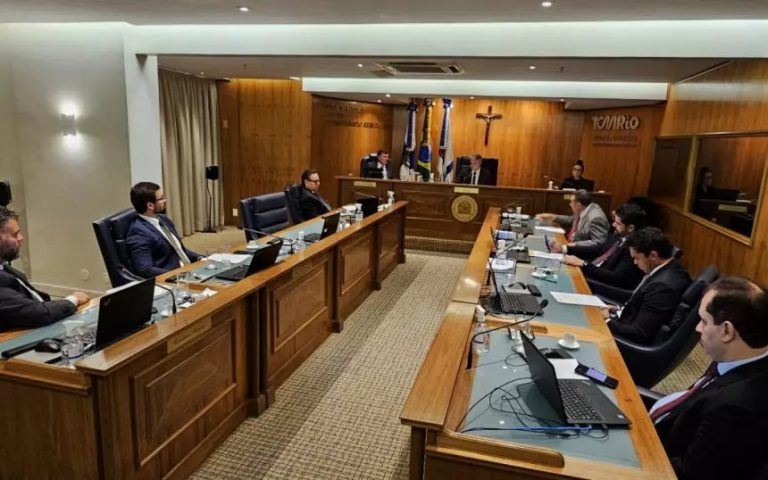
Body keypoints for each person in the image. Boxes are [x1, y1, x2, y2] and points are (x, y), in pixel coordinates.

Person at [651, 277, 768, 480]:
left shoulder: (735, 408)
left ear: (727, 331)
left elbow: (687, 474)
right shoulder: (739, 357)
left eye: (704, 321)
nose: (697, 328)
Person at [0, 207, 90, 330]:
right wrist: (73, 299)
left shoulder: (5, 268)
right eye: (15, 234)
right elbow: (38, 313)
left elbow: (39, 302)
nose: (21, 238)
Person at [606, 227, 691, 344]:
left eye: (637, 258)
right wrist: (618, 310)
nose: (635, 263)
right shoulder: (672, 267)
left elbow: (638, 333)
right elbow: (644, 308)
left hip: (625, 344)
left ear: (653, 255)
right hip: (624, 320)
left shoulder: (662, 288)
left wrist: (606, 320)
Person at [562, 203, 646, 290]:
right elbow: (598, 249)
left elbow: (616, 278)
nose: (613, 225)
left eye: (618, 223)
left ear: (630, 228)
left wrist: (584, 264)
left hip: (600, 285)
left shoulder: (633, 249)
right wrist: (565, 249)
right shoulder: (618, 235)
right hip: (592, 274)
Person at [126, 182, 202, 278]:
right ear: (150, 205)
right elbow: (145, 269)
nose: (165, 200)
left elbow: (177, 248)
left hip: (187, 270)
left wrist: (200, 258)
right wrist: (178, 275)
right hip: (173, 278)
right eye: (162, 198)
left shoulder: (163, 219)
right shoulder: (139, 233)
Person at [538, 190, 610, 249]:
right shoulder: (585, 207)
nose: (570, 204)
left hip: (580, 253)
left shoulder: (596, 218)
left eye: (571, 202)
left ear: (578, 205)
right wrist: (552, 217)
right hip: (567, 244)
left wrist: (573, 245)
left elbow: (598, 242)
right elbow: (571, 219)